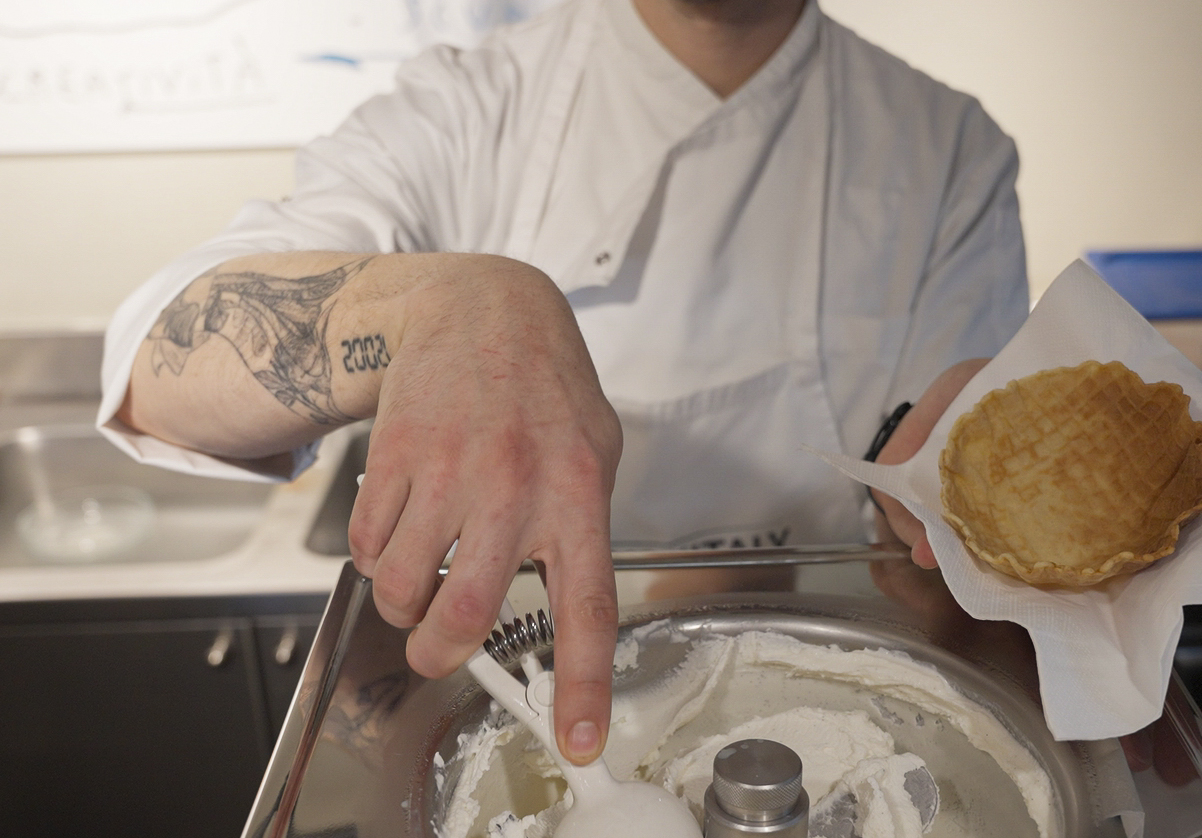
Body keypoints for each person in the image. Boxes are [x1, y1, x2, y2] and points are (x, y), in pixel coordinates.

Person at [97, 0, 1027, 766]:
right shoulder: (467, 109)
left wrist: (964, 502)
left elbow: (933, 531)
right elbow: (152, 366)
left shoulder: (948, 150)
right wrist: (430, 308)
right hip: (510, 710)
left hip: (833, 720)